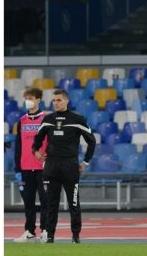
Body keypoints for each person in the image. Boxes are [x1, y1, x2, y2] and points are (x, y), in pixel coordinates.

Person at [31, 90, 96, 243]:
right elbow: (37, 141)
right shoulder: (47, 119)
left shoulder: (78, 119)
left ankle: (75, 236)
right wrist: (36, 152)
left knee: (73, 203)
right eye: (54, 100)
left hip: (70, 166)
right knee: (50, 204)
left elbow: (91, 141)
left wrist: (85, 162)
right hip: (51, 166)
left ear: (66, 101)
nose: (56, 103)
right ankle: (50, 236)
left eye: (59, 100)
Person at [13, 88, 49, 243]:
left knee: (45, 200)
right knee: (28, 202)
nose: (28, 100)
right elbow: (18, 147)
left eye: (31, 98)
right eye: (26, 98)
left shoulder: (46, 119)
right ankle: (29, 231)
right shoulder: (22, 121)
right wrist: (17, 170)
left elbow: (51, 143)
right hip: (25, 168)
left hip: (43, 168)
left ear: (38, 100)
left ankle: (46, 231)